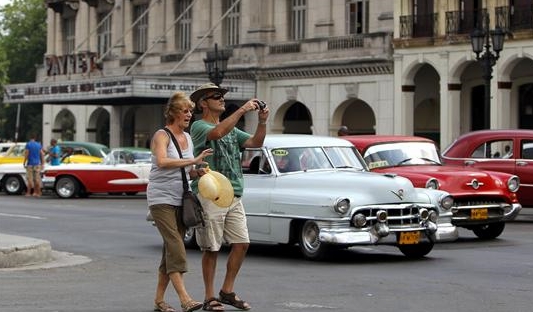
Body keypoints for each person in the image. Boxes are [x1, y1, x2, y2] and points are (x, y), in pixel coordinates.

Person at [190, 83, 269, 311]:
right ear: (203, 103)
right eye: (216, 97)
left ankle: (227, 291)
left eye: (223, 96)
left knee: (242, 243)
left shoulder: (232, 130)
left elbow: (255, 143)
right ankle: (209, 296)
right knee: (212, 247)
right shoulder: (198, 125)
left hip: (234, 192)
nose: (221, 99)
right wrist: (243, 110)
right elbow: (217, 133)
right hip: (211, 192)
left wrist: (262, 121)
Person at [147, 91, 214, 312]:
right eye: (185, 111)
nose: (189, 115)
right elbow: (163, 161)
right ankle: (185, 299)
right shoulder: (161, 135)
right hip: (161, 199)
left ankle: (159, 300)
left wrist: (198, 171)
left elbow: (186, 172)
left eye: (191, 111)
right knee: (176, 247)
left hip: (181, 199)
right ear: (174, 112)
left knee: (170, 252)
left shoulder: (187, 139)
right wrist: (192, 161)